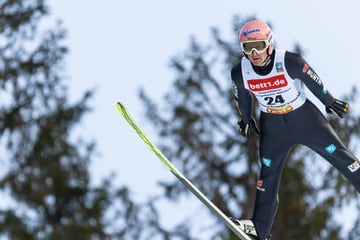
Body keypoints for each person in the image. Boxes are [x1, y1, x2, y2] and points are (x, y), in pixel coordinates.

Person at [230, 19, 360, 240]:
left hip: (304, 119)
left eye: (259, 46)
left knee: (340, 156)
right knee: (267, 173)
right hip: (273, 126)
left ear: (269, 44)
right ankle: (259, 229)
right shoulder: (240, 72)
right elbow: (242, 95)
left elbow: (313, 80)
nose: (254, 53)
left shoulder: (290, 62)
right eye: (247, 48)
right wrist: (245, 117)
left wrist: (328, 100)